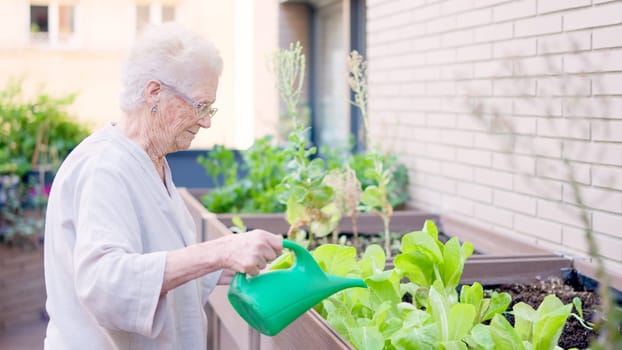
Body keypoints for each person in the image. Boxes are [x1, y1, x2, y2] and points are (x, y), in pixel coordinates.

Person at [43, 23, 283, 349]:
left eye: (210, 108)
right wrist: (220, 251)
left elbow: (161, 265)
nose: (206, 121)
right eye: (200, 106)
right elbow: (106, 285)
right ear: (154, 93)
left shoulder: (151, 161)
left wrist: (237, 263)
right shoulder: (105, 168)